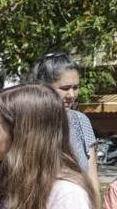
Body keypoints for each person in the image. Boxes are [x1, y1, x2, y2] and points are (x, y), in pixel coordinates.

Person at [29, 52, 99, 192]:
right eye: (65, 88)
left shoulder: (81, 121)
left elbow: (92, 177)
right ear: (44, 87)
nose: (71, 95)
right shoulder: (28, 121)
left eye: (76, 87)